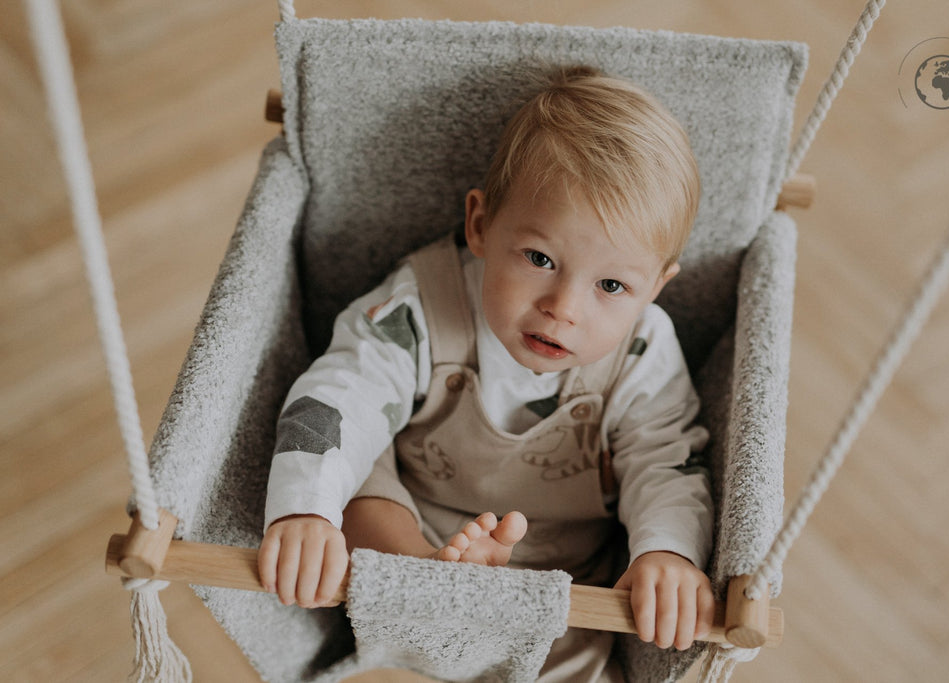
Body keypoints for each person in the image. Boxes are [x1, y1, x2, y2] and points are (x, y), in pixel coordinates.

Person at [258, 65, 715, 680]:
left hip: (561, 586)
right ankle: (431, 602)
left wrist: (667, 554)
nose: (564, 308)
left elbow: (668, 460)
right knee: (361, 474)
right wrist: (305, 510)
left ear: (655, 288)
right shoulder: (421, 306)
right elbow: (337, 397)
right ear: (480, 225)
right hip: (409, 552)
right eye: (540, 258)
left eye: (611, 285)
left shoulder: (643, 351)